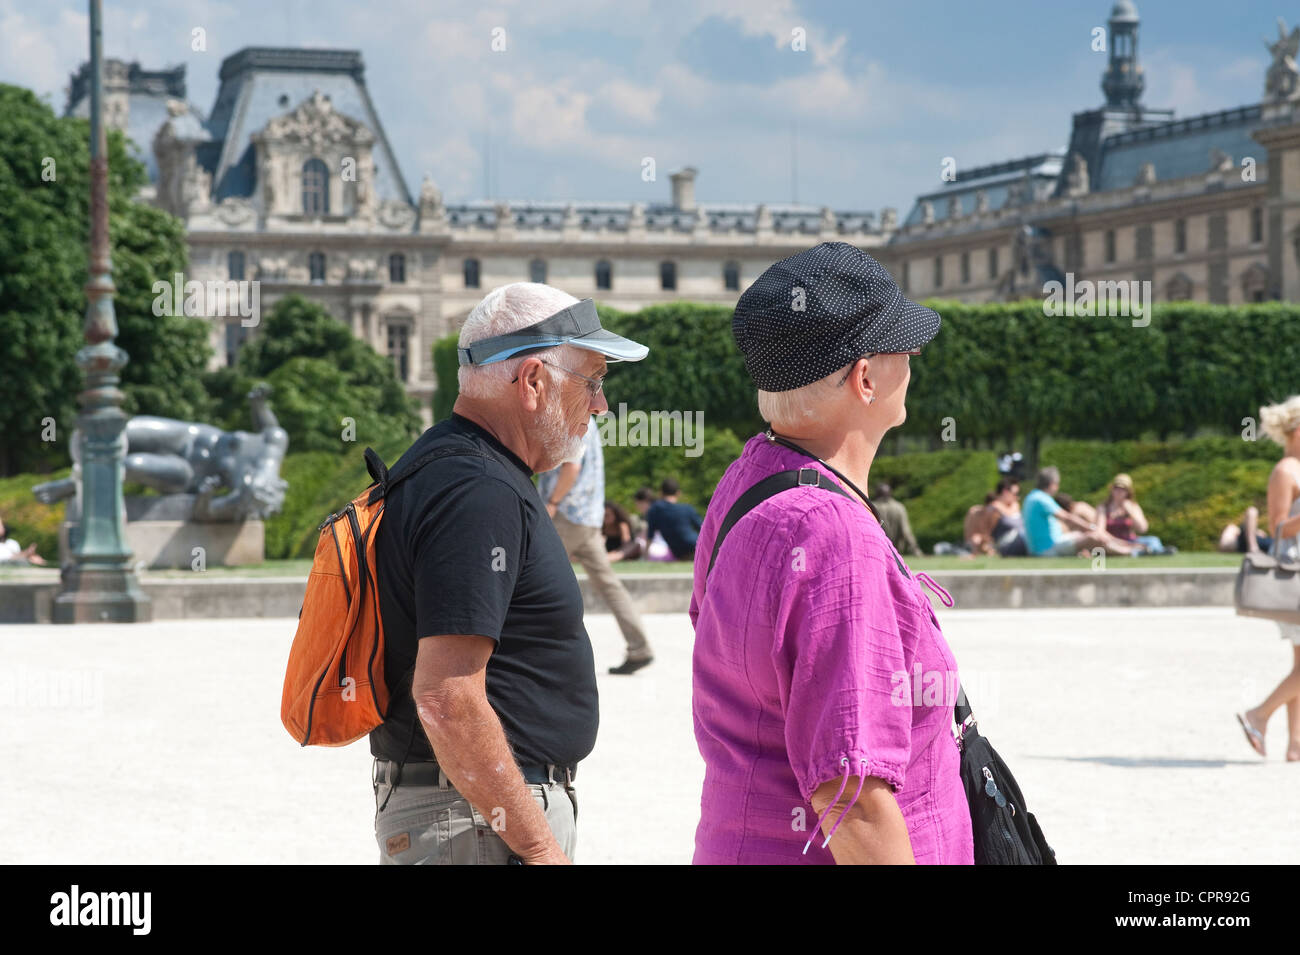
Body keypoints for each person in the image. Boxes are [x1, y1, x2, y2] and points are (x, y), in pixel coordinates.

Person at [691, 240, 972, 864]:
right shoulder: (834, 536)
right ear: (864, 377)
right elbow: (853, 793)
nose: (917, 355)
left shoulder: (746, 482)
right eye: (903, 344)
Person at [368, 282, 648, 864]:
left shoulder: (456, 466)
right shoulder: (479, 491)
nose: (600, 406)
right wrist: (541, 850)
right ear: (532, 382)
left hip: (468, 814)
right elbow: (446, 697)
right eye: (592, 382)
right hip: (474, 822)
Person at [538, 418, 654, 675]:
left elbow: (571, 466)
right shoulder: (588, 420)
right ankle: (640, 647)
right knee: (609, 585)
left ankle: (530, 653)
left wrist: (553, 502)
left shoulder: (571, 417)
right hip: (588, 517)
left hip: (566, 515)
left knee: (534, 581)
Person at [1236, 396, 1300, 762]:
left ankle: (1295, 744)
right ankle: (1259, 713)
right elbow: (1277, 529)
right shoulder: (1285, 471)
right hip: (1294, 574)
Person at [1023, 466, 1136, 556]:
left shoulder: (1031, 496)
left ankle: (1126, 547)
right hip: (1048, 549)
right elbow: (1067, 517)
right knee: (1094, 537)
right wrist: (1092, 528)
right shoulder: (1041, 498)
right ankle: (1129, 551)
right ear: (1052, 484)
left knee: (1088, 536)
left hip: (1049, 545)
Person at [1095, 473, 1174, 555]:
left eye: (1123, 489)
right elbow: (1100, 532)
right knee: (1107, 545)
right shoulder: (1103, 507)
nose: (1119, 491)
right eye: (1116, 488)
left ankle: (1155, 551)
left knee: (1153, 540)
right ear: (1112, 489)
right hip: (1113, 541)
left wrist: (1130, 511)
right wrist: (1122, 543)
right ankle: (1139, 552)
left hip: (1131, 540)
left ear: (1128, 491)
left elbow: (1143, 528)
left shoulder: (1133, 506)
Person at [638, 478, 702, 561]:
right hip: (697, 548)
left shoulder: (655, 510)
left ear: (660, 492)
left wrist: (645, 557)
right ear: (678, 493)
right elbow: (703, 528)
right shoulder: (688, 509)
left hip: (681, 554)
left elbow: (650, 535)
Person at [874, 482, 921, 556]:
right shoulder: (899, 507)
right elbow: (906, 531)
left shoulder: (872, 507)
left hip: (878, 549)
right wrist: (915, 550)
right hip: (897, 550)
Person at [990, 478, 1027, 556]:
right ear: (1005, 492)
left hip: (1021, 540)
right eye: (1015, 494)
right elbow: (989, 531)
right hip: (1006, 545)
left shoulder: (1016, 505)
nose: (1017, 497)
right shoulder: (995, 509)